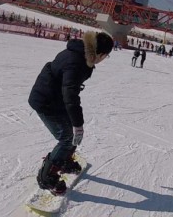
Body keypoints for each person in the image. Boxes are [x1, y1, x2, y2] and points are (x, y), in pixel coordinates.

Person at [28, 31, 113, 195]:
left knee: (73, 134)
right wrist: (78, 124)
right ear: (101, 54)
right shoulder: (76, 62)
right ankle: (47, 178)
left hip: (55, 99)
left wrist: (76, 125)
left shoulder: (79, 53)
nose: (104, 60)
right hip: (46, 101)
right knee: (67, 137)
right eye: (106, 56)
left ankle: (64, 161)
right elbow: (70, 95)